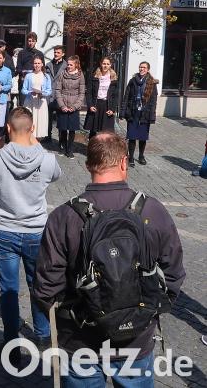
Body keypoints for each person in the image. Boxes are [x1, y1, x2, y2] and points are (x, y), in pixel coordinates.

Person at [33, 132, 186, 387]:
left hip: (80, 340)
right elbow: (174, 275)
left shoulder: (63, 217)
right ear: (124, 162)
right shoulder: (153, 210)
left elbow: (46, 288)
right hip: (135, 341)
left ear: (88, 165)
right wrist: (146, 313)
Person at [0, 106, 60, 367]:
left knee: (9, 289)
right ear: (32, 130)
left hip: (4, 230)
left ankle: (12, 343)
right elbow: (57, 175)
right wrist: (35, 143)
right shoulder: (47, 159)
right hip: (36, 231)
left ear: (7, 129)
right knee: (38, 285)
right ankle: (43, 336)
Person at [121, 62, 158, 167]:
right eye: (141, 67)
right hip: (133, 112)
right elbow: (126, 96)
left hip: (145, 113)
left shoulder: (152, 83)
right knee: (132, 136)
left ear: (148, 69)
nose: (142, 69)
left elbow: (153, 101)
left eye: (144, 67)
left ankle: (141, 156)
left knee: (142, 137)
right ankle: (131, 157)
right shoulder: (132, 81)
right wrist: (123, 111)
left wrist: (152, 115)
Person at [54, 55, 86, 158]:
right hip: (63, 105)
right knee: (63, 128)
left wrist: (75, 106)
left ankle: (70, 150)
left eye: (71, 65)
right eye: (67, 64)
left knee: (72, 129)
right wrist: (62, 105)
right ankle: (63, 147)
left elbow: (81, 94)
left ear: (76, 65)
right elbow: (58, 90)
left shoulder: (80, 76)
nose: (68, 66)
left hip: (74, 106)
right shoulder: (62, 74)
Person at [84, 57, 119, 138]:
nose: (105, 66)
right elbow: (89, 93)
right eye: (104, 63)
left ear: (110, 65)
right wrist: (90, 105)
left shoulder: (113, 78)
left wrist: (112, 109)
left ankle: (103, 150)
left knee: (106, 132)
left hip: (107, 105)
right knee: (93, 130)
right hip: (96, 104)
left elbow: (115, 96)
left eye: (107, 64)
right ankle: (92, 149)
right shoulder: (94, 76)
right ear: (100, 64)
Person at [21, 56, 53, 140]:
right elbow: (23, 90)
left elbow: (49, 91)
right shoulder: (28, 76)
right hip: (30, 102)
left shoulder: (46, 76)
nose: (37, 65)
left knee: (40, 124)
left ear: (42, 64)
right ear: (33, 64)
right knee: (29, 121)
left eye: (39, 63)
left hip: (41, 103)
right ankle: (28, 142)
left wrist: (43, 93)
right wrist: (30, 92)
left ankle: (37, 144)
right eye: (35, 63)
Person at [44, 45, 67, 144]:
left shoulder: (66, 66)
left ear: (63, 54)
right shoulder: (48, 65)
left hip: (60, 96)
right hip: (49, 95)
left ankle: (61, 140)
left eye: (58, 52)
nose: (56, 54)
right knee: (47, 118)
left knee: (61, 119)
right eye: (55, 52)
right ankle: (47, 136)